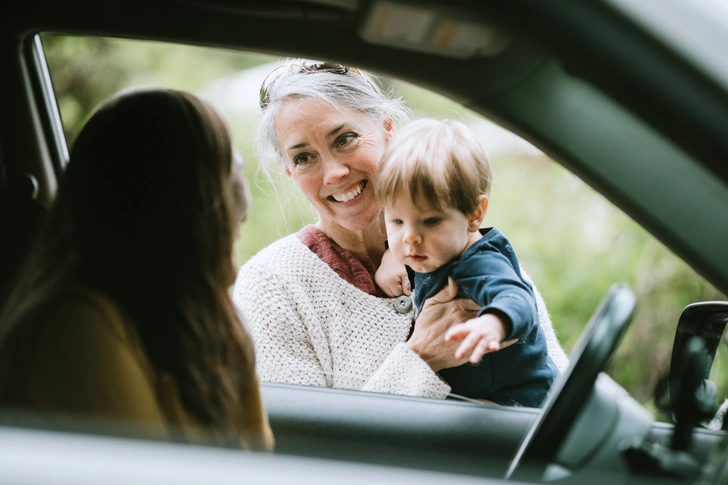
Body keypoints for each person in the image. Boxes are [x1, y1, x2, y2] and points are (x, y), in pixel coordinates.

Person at [234, 58, 568, 401]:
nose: (333, 173)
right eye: (303, 158)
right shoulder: (271, 287)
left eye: (345, 139)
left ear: (387, 127)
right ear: (289, 172)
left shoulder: (463, 244)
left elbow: (554, 381)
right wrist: (422, 356)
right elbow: (302, 444)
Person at [0, 87, 274, 451]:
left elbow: (253, 462)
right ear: (176, 206)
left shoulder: (191, 318)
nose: (244, 205)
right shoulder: (78, 329)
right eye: (228, 177)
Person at [374, 118, 558, 407]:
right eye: (397, 221)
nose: (409, 239)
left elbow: (517, 299)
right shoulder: (432, 248)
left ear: (474, 214)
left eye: (430, 221)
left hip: (519, 403)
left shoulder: (480, 263)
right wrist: (390, 258)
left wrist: (493, 323)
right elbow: (403, 242)